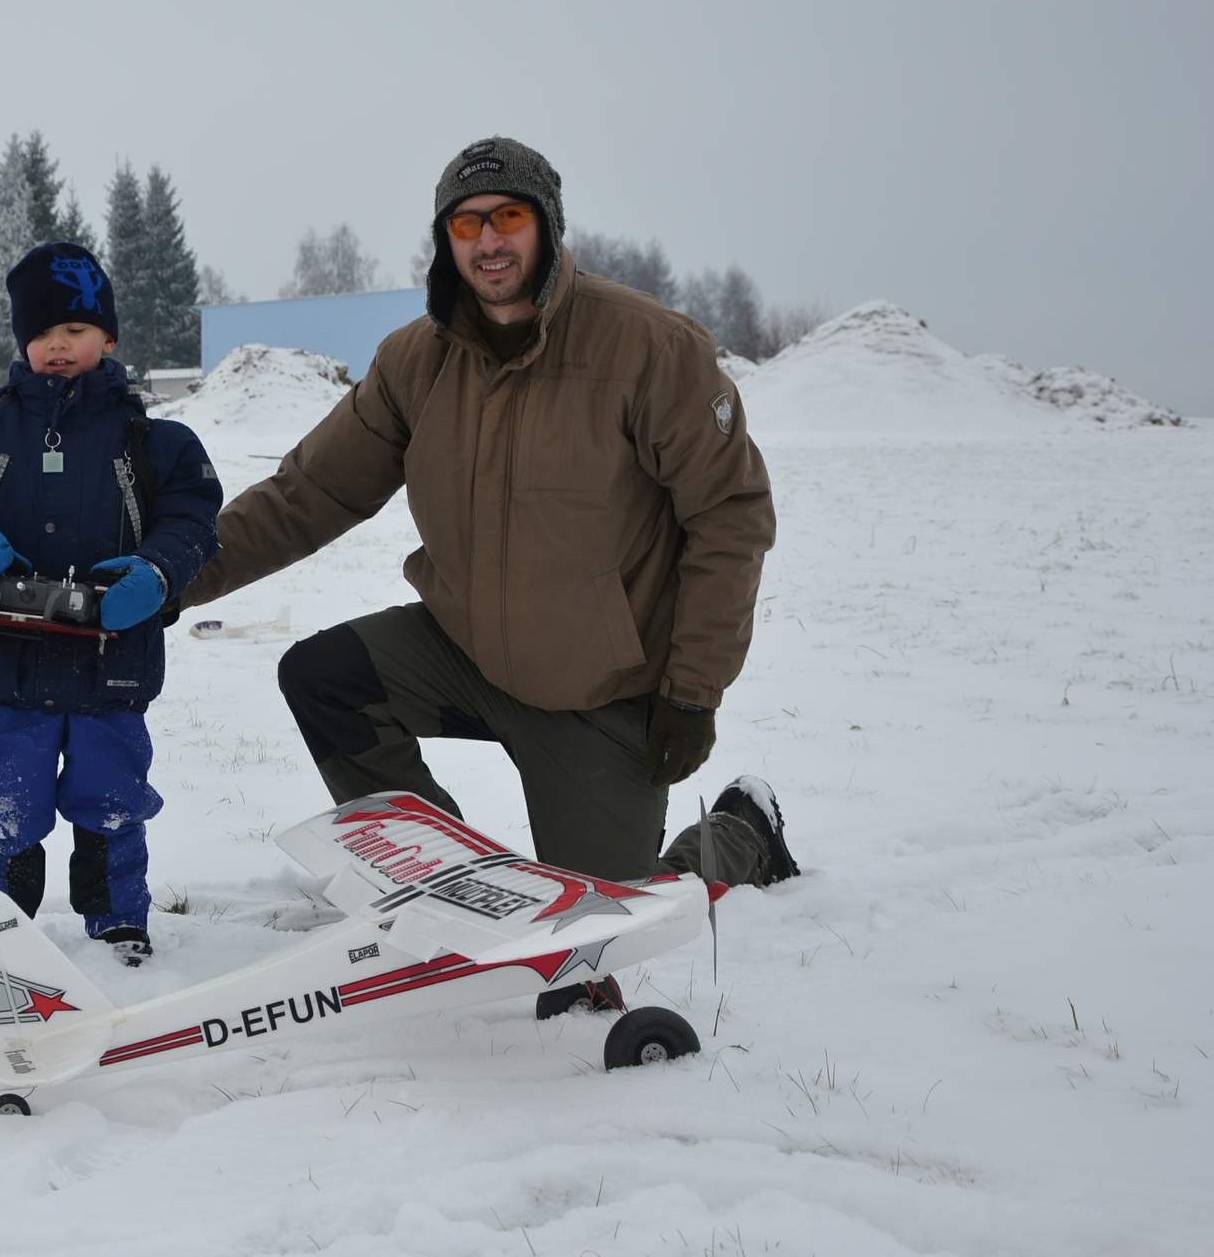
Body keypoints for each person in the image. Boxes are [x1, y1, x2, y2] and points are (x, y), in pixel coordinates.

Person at [181, 137, 795, 1005]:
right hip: (465, 653)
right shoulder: (416, 360)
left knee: (602, 932)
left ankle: (742, 831)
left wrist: (693, 693)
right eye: (466, 224)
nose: (489, 241)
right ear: (446, 240)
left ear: (547, 225)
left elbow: (730, 517)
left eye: (508, 217)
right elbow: (310, 491)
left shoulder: (649, 348)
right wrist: (173, 577)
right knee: (324, 676)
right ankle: (451, 892)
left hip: (604, 691)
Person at [0, 242, 221, 966]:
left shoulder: (157, 442)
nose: (57, 345)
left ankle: (119, 929)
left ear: (108, 337)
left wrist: (157, 571)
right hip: (5, 665)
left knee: (112, 800)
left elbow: (195, 521)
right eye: (42, 332)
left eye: (75, 329)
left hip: (112, 664)